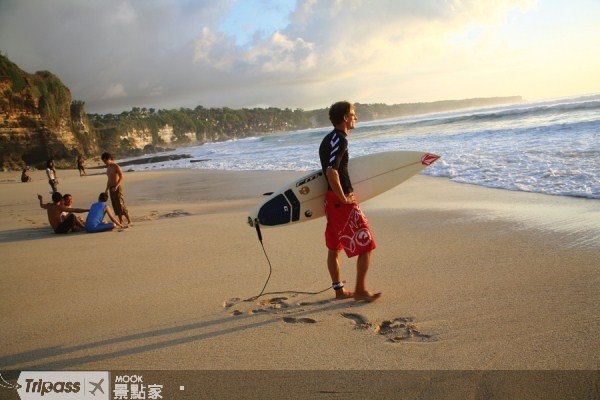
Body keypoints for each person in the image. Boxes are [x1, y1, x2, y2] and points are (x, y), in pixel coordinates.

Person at [318, 101, 381, 302]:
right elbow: (331, 171)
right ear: (345, 118)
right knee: (367, 244)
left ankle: (339, 291)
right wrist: (343, 197)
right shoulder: (340, 140)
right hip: (341, 202)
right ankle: (360, 290)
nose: (355, 118)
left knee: (334, 247)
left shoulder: (327, 139)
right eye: (353, 114)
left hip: (331, 201)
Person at [101, 152, 132, 226]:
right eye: (104, 161)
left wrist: (116, 186)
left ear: (109, 159)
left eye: (105, 161)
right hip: (111, 188)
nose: (105, 163)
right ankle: (121, 221)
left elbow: (122, 177)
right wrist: (106, 189)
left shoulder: (116, 166)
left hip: (117, 188)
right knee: (115, 205)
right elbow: (109, 180)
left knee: (121, 204)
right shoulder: (108, 168)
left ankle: (129, 220)